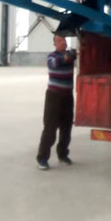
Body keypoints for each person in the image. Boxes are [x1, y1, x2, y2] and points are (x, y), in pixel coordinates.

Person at [36, 35, 76, 170]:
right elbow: (54, 63)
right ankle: (42, 158)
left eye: (64, 40)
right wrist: (68, 56)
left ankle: (63, 154)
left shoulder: (70, 56)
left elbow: (73, 55)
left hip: (68, 96)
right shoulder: (51, 56)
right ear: (55, 44)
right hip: (54, 96)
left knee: (66, 128)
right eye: (59, 40)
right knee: (50, 128)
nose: (63, 42)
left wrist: (72, 54)